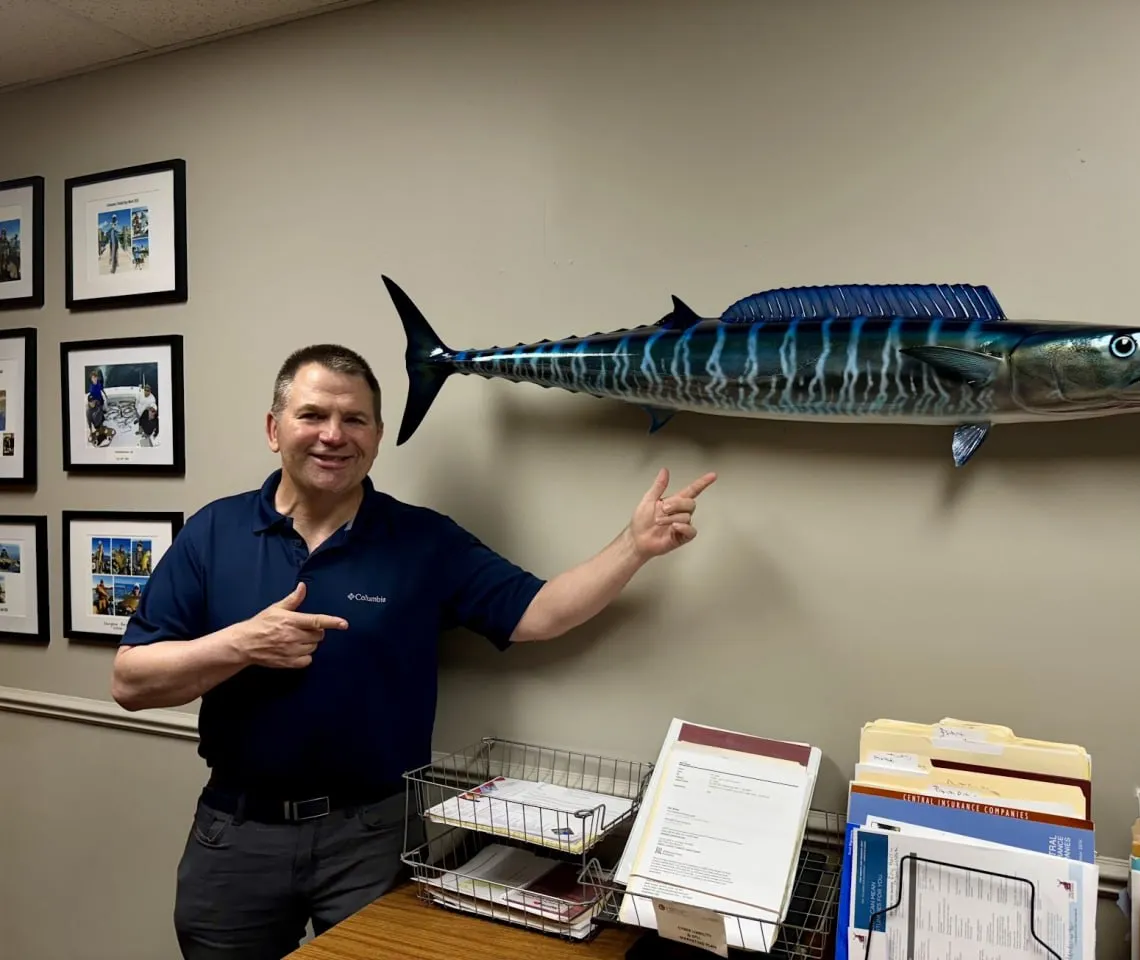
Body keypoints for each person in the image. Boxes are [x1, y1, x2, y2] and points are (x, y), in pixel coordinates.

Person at [109, 344, 717, 960]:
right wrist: (240, 643)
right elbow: (131, 682)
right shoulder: (213, 532)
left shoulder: (423, 540)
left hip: (373, 835)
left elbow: (540, 613)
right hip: (237, 835)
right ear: (274, 429)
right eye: (312, 415)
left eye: (355, 420)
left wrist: (634, 547)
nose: (332, 435)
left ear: (376, 437)